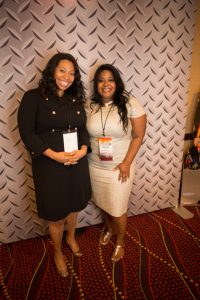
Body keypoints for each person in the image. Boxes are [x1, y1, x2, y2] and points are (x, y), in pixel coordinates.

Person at [18, 53, 91, 277]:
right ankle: (58, 251)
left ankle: (71, 237)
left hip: (75, 161)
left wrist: (84, 149)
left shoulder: (75, 100)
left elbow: (82, 130)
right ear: (52, 71)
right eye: (62, 70)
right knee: (56, 212)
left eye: (72, 73)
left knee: (74, 204)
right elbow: (27, 133)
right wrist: (55, 156)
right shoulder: (33, 97)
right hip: (50, 165)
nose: (66, 76)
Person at [86, 64, 146, 262]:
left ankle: (120, 241)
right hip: (94, 166)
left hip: (119, 167)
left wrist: (127, 162)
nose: (105, 84)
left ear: (116, 82)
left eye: (110, 80)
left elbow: (138, 135)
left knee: (118, 209)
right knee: (104, 204)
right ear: (96, 84)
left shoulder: (129, 103)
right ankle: (110, 230)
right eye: (101, 80)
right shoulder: (90, 105)